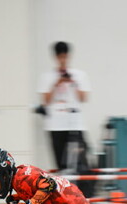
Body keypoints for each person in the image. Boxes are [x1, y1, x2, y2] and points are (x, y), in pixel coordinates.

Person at [37, 41, 93, 195]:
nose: (62, 59)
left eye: (65, 56)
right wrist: (57, 84)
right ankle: (64, 193)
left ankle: (86, 194)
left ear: (68, 56)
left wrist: (72, 83)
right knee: (60, 162)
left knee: (81, 159)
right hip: (55, 125)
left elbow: (83, 97)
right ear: (55, 57)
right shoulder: (47, 77)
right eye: (60, 56)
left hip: (76, 124)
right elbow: (45, 101)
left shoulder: (79, 75)